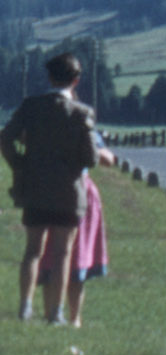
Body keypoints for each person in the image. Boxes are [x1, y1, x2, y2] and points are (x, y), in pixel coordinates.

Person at [3, 53, 100, 325]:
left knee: (32, 250)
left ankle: (25, 307)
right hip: (69, 192)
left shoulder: (30, 106)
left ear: (49, 76)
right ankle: (57, 312)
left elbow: (5, 138)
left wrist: (19, 165)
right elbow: (92, 158)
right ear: (76, 80)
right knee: (62, 252)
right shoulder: (82, 113)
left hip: (34, 187)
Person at [40, 129, 116, 327]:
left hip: (76, 191)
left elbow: (107, 158)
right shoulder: (45, 121)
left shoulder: (82, 126)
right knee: (49, 254)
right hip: (53, 191)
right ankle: (53, 315)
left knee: (76, 255)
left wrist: (85, 150)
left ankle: (73, 318)